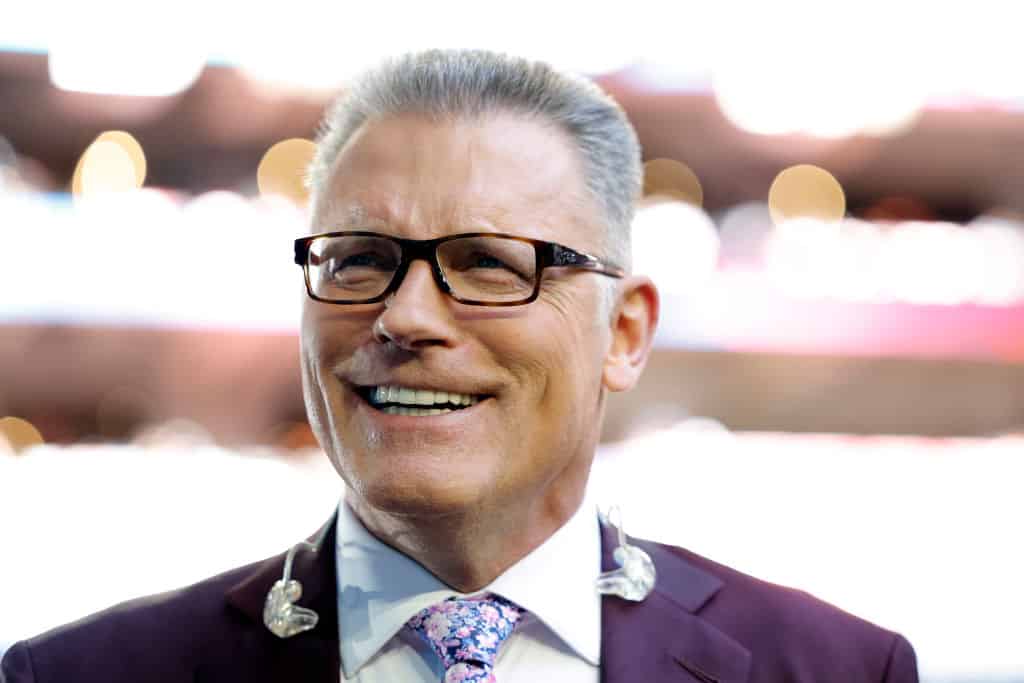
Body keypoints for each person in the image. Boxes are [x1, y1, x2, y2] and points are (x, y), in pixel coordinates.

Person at [1, 49, 918, 682]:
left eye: (488, 262)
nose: (403, 316)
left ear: (625, 332)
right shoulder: (81, 673)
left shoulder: (832, 667)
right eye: (358, 258)